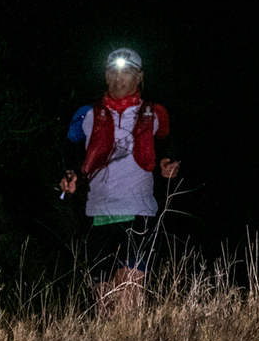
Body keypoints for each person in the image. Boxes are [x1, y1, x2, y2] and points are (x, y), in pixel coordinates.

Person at [58, 47, 180, 315]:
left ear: (139, 77)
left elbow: (169, 144)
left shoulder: (155, 113)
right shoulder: (86, 114)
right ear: (105, 75)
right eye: (112, 72)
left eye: (126, 72)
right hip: (97, 214)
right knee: (104, 306)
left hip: (139, 213)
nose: (118, 78)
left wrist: (169, 161)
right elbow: (68, 149)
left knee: (128, 301)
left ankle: (133, 339)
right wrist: (70, 174)